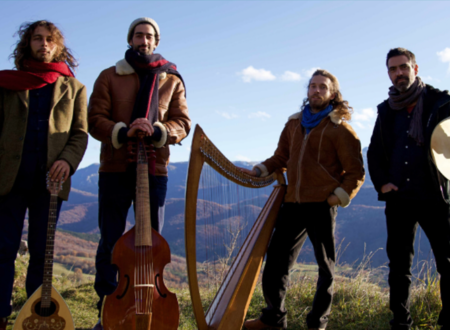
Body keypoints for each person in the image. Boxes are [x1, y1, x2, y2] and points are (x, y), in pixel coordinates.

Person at [241, 69, 365, 330]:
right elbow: (280, 158)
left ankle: (317, 324)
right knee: (275, 263)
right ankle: (273, 319)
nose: (316, 91)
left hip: (321, 204)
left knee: (325, 268)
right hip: (292, 203)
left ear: (332, 93)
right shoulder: (293, 124)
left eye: (322, 87)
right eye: (312, 86)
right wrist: (257, 170)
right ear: (307, 90)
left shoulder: (341, 130)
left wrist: (337, 198)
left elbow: (355, 172)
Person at [88, 17, 190, 329]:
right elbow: (94, 119)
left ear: (156, 42)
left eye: (149, 36)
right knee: (110, 240)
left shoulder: (171, 79)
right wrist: (123, 129)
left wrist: (157, 130)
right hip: (115, 167)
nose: (143, 41)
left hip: (155, 168)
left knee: (150, 244)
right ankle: (107, 313)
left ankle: (148, 309)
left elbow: (182, 123)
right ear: (130, 39)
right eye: (138, 35)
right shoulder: (109, 76)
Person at [0, 20, 88, 329]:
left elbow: (80, 134)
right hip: (7, 179)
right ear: (28, 44)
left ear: (59, 46)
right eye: (37, 39)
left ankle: (31, 315)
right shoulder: (7, 83)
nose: (44, 44)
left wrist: (67, 161)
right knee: (2, 248)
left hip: (50, 182)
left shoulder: (74, 88)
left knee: (42, 253)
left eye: (50, 39)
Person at [368, 48, 450, 330]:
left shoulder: (441, 102)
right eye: (393, 69)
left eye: (403, 67)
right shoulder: (386, 110)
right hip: (399, 198)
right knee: (399, 267)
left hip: (436, 199)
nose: (398, 73)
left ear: (415, 68)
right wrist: (382, 183)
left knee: (447, 262)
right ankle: (401, 322)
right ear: (389, 74)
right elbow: (375, 153)